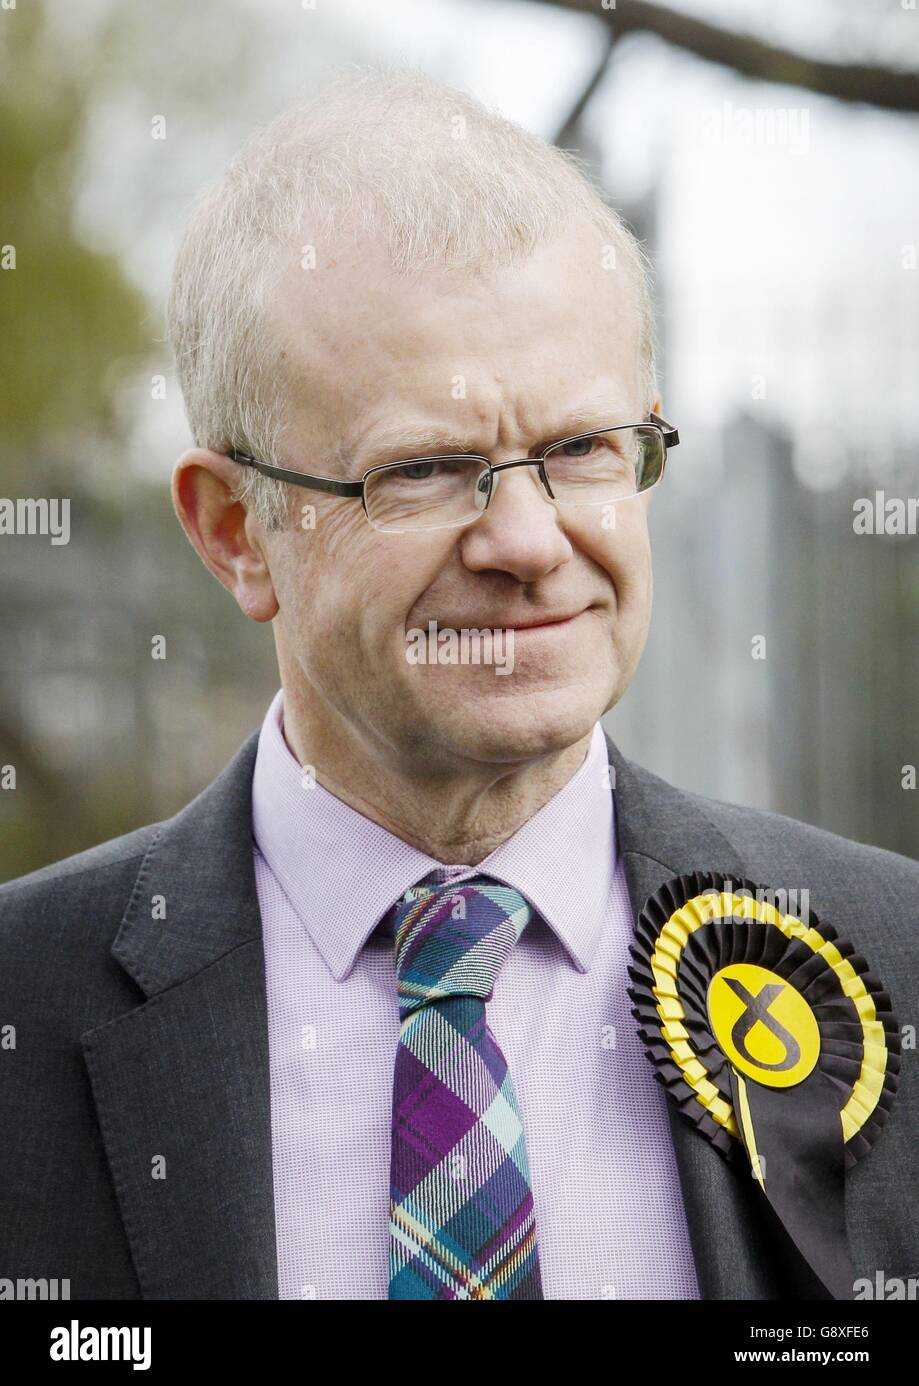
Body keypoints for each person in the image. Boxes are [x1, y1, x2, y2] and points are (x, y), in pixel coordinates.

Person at [1, 67, 915, 1303]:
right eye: (426, 470)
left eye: (584, 448)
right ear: (234, 530)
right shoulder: (26, 1008)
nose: (530, 542)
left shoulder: (889, 965)